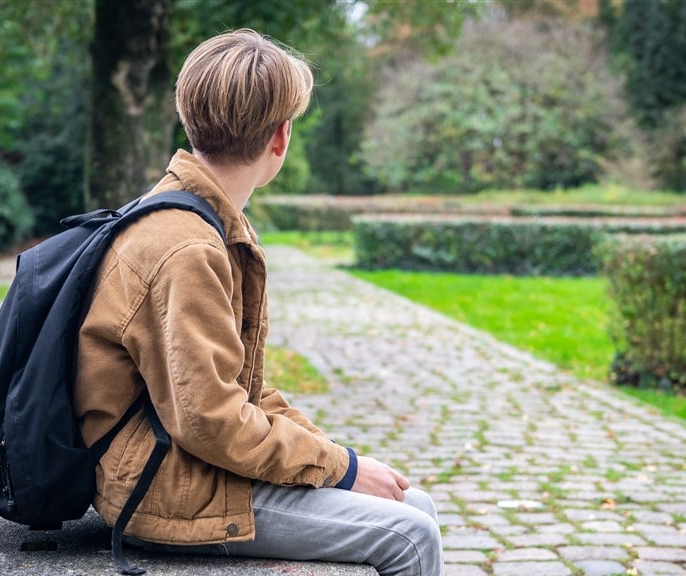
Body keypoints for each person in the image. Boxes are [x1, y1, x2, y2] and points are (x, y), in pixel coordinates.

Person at [74, 29, 443, 576]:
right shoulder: (187, 247)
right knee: (410, 535)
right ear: (281, 137)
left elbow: (235, 381)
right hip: (161, 489)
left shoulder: (198, 217)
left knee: (415, 505)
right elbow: (211, 422)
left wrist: (337, 458)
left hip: (172, 462)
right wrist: (341, 469)